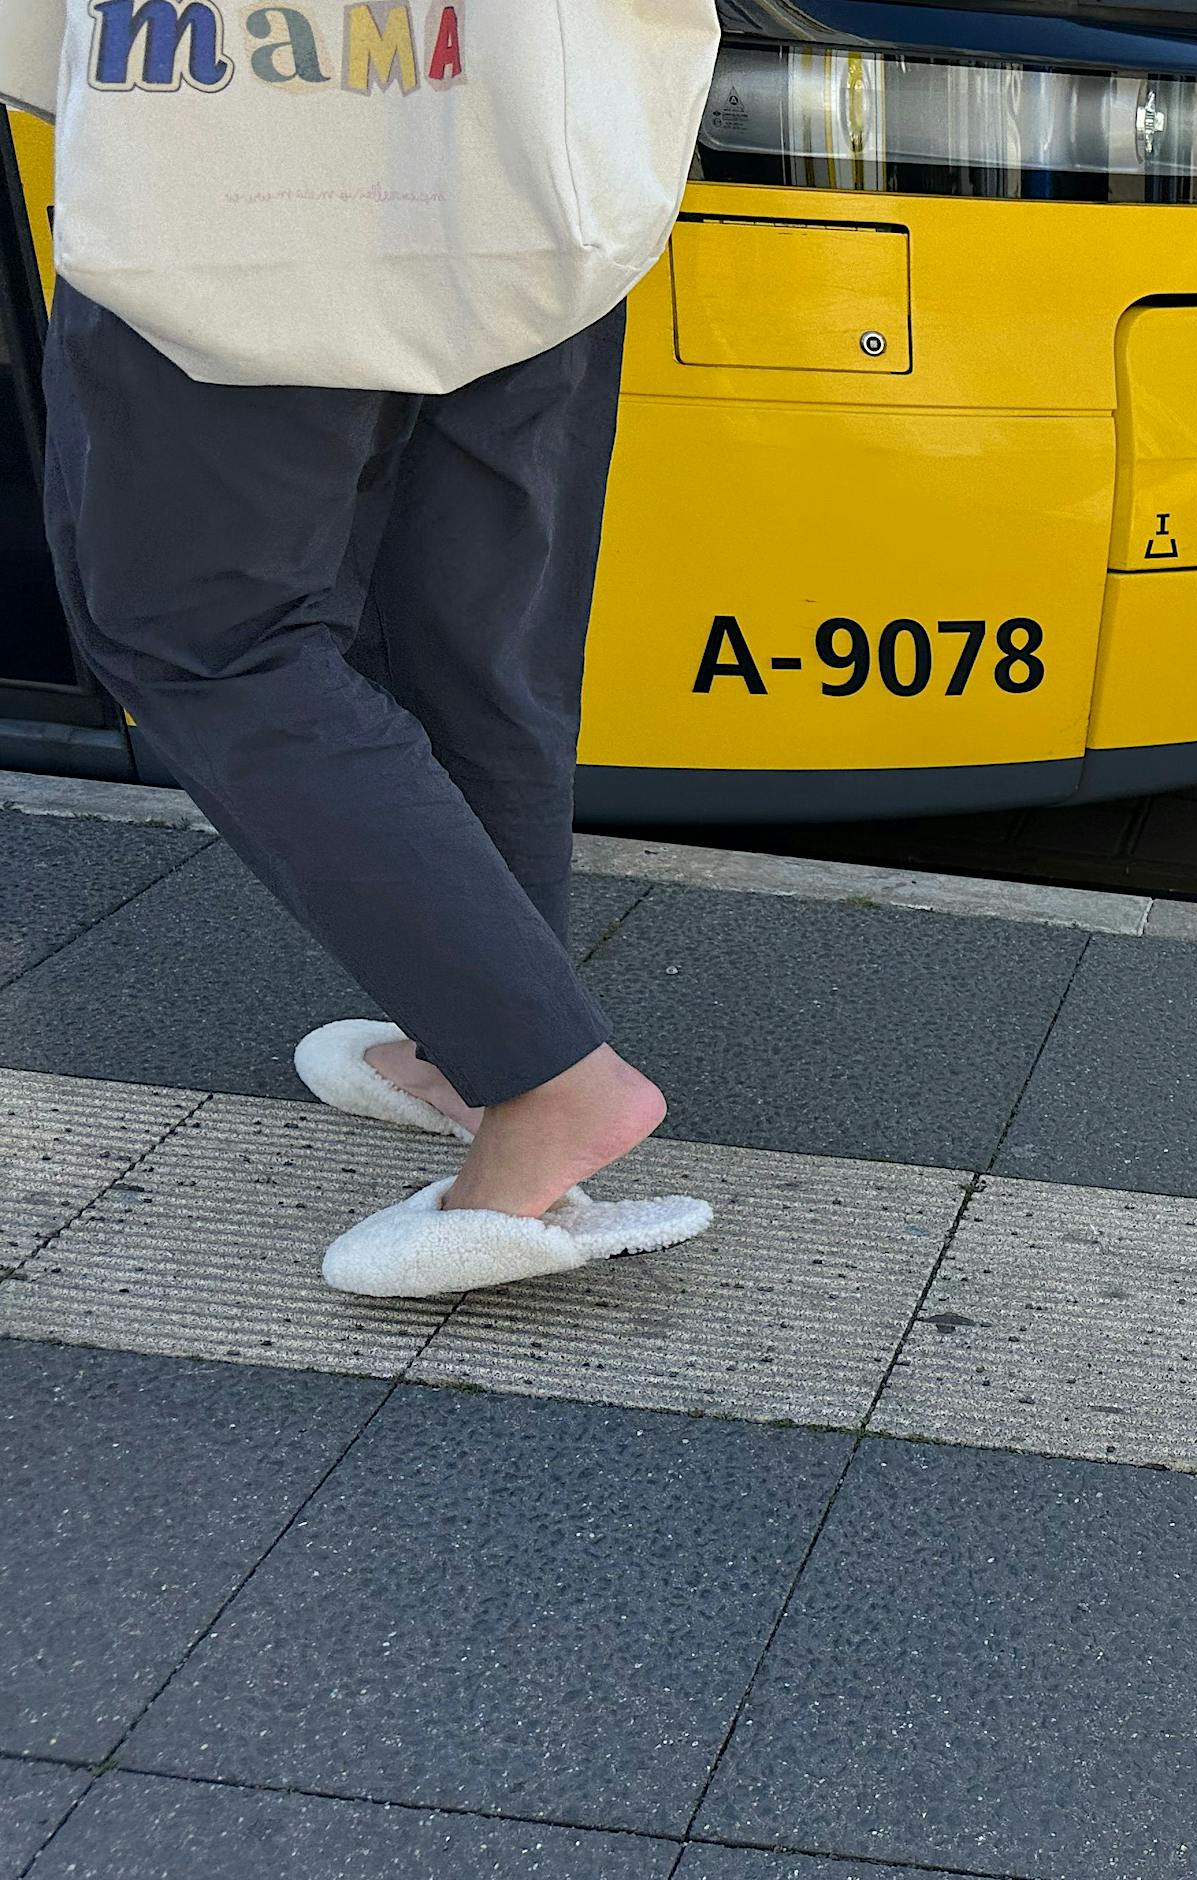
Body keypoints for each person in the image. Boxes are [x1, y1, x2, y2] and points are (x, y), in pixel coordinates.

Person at [29, 3, 720, 1297]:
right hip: (532, 129)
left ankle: (545, 1082)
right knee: (468, 626)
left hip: (247, 128)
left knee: (202, 630)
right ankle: (473, 1051)